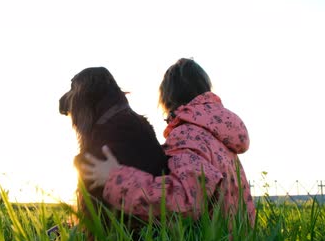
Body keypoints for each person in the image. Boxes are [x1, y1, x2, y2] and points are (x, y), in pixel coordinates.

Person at [80, 58, 255, 226]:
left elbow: (183, 202)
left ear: (166, 99)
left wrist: (114, 178)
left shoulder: (189, 135)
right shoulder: (219, 136)